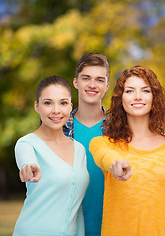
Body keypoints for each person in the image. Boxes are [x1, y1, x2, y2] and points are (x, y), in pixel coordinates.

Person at [89, 66, 165, 236]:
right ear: (120, 99)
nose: (138, 96)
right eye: (130, 91)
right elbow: (106, 157)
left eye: (145, 90)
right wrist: (116, 163)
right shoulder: (103, 144)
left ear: (154, 98)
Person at [14, 76, 89, 236]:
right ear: (37, 106)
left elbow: (77, 207)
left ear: (70, 106)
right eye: (48, 103)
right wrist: (29, 169)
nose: (56, 110)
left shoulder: (80, 150)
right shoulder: (27, 144)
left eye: (62, 103)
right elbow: (27, 163)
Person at [63, 53, 110, 236]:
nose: (92, 85)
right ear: (76, 82)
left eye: (99, 80)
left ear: (106, 86)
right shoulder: (59, 128)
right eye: (86, 78)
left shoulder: (120, 130)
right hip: (68, 229)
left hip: (111, 228)